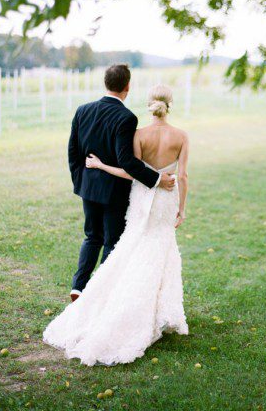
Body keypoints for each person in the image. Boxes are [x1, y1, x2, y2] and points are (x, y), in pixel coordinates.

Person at [45, 84, 190, 366]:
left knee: (131, 249)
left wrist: (100, 166)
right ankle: (156, 311)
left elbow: (129, 171)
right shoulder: (181, 136)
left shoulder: (139, 135)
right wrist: (182, 209)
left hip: (142, 199)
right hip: (167, 201)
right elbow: (182, 177)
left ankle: (113, 301)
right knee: (161, 252)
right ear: (170, 104)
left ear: (149, 103)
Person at [66, 64, 176, 301]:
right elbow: (127, 161)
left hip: (89, 188)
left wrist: (81, 182)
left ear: (106, 83)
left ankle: (79, 286)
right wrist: (157, 179)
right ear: (127, 87)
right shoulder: (126, 117)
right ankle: (99, 292)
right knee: (111, 241)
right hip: (114, 191)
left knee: (91, 237)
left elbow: (73, 152)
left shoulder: (82, 110)